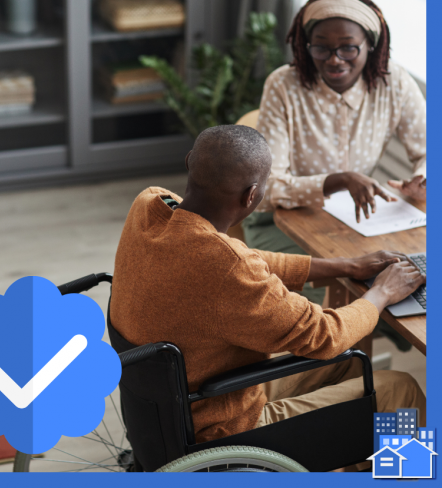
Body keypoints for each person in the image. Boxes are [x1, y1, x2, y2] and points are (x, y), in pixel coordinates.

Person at [110, 125, 426, 450]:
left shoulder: (149, 205)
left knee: (347, 361)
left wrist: (347, 265)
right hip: (224, 426)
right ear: (251, 195)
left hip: (171, 408)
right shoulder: (227, 267)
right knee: (398, 389)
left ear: (190, 161)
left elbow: (239, 258)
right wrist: (384, 292)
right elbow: (324, 334)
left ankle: (345, 456)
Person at [244, 0, 426, 326]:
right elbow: (267, 188)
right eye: (321, 49)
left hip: (360, 222)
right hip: (281, 221)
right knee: (312, 315)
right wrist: (337, 181)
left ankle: (360, 348)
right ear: (304, 44)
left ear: (371, 46)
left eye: (348, 49)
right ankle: (329, 358)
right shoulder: (284, 86)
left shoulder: (394, 82)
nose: (333, 59)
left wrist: (423, 178)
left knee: (406, 271)